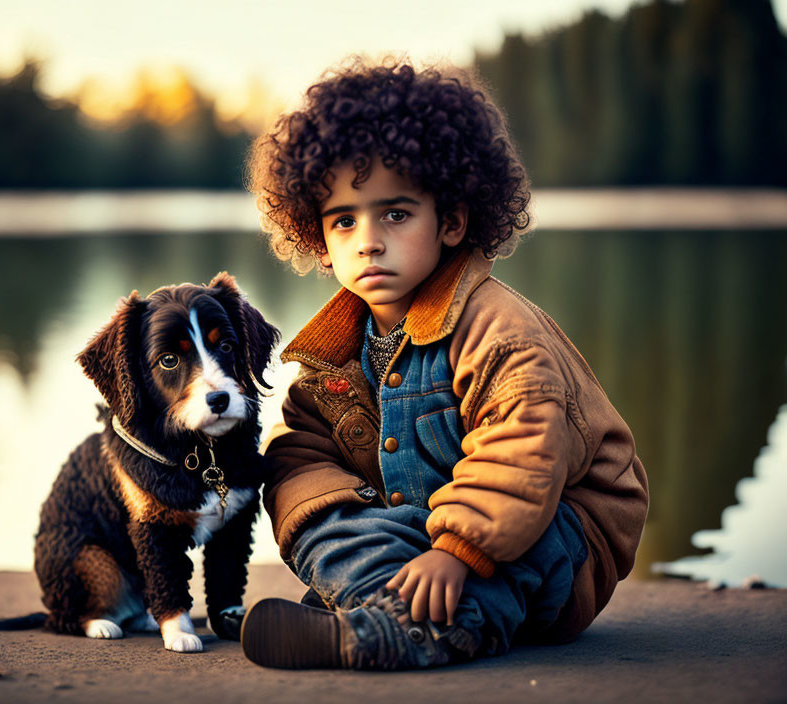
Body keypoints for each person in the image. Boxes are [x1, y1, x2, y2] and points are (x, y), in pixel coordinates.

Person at [240, 59, 649, 670]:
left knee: (527, 548)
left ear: (452, 221)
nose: (368, 240)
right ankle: (381, 599)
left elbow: (525, 449)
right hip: (422, 534)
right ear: (315, 233)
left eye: (395, 215)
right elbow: (300, 452)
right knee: (319, 518)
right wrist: (327, 523)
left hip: (558, 534)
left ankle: (405, 628)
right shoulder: (333, 353)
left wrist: (460, 550)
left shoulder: (498, 332)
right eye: (344, 220)